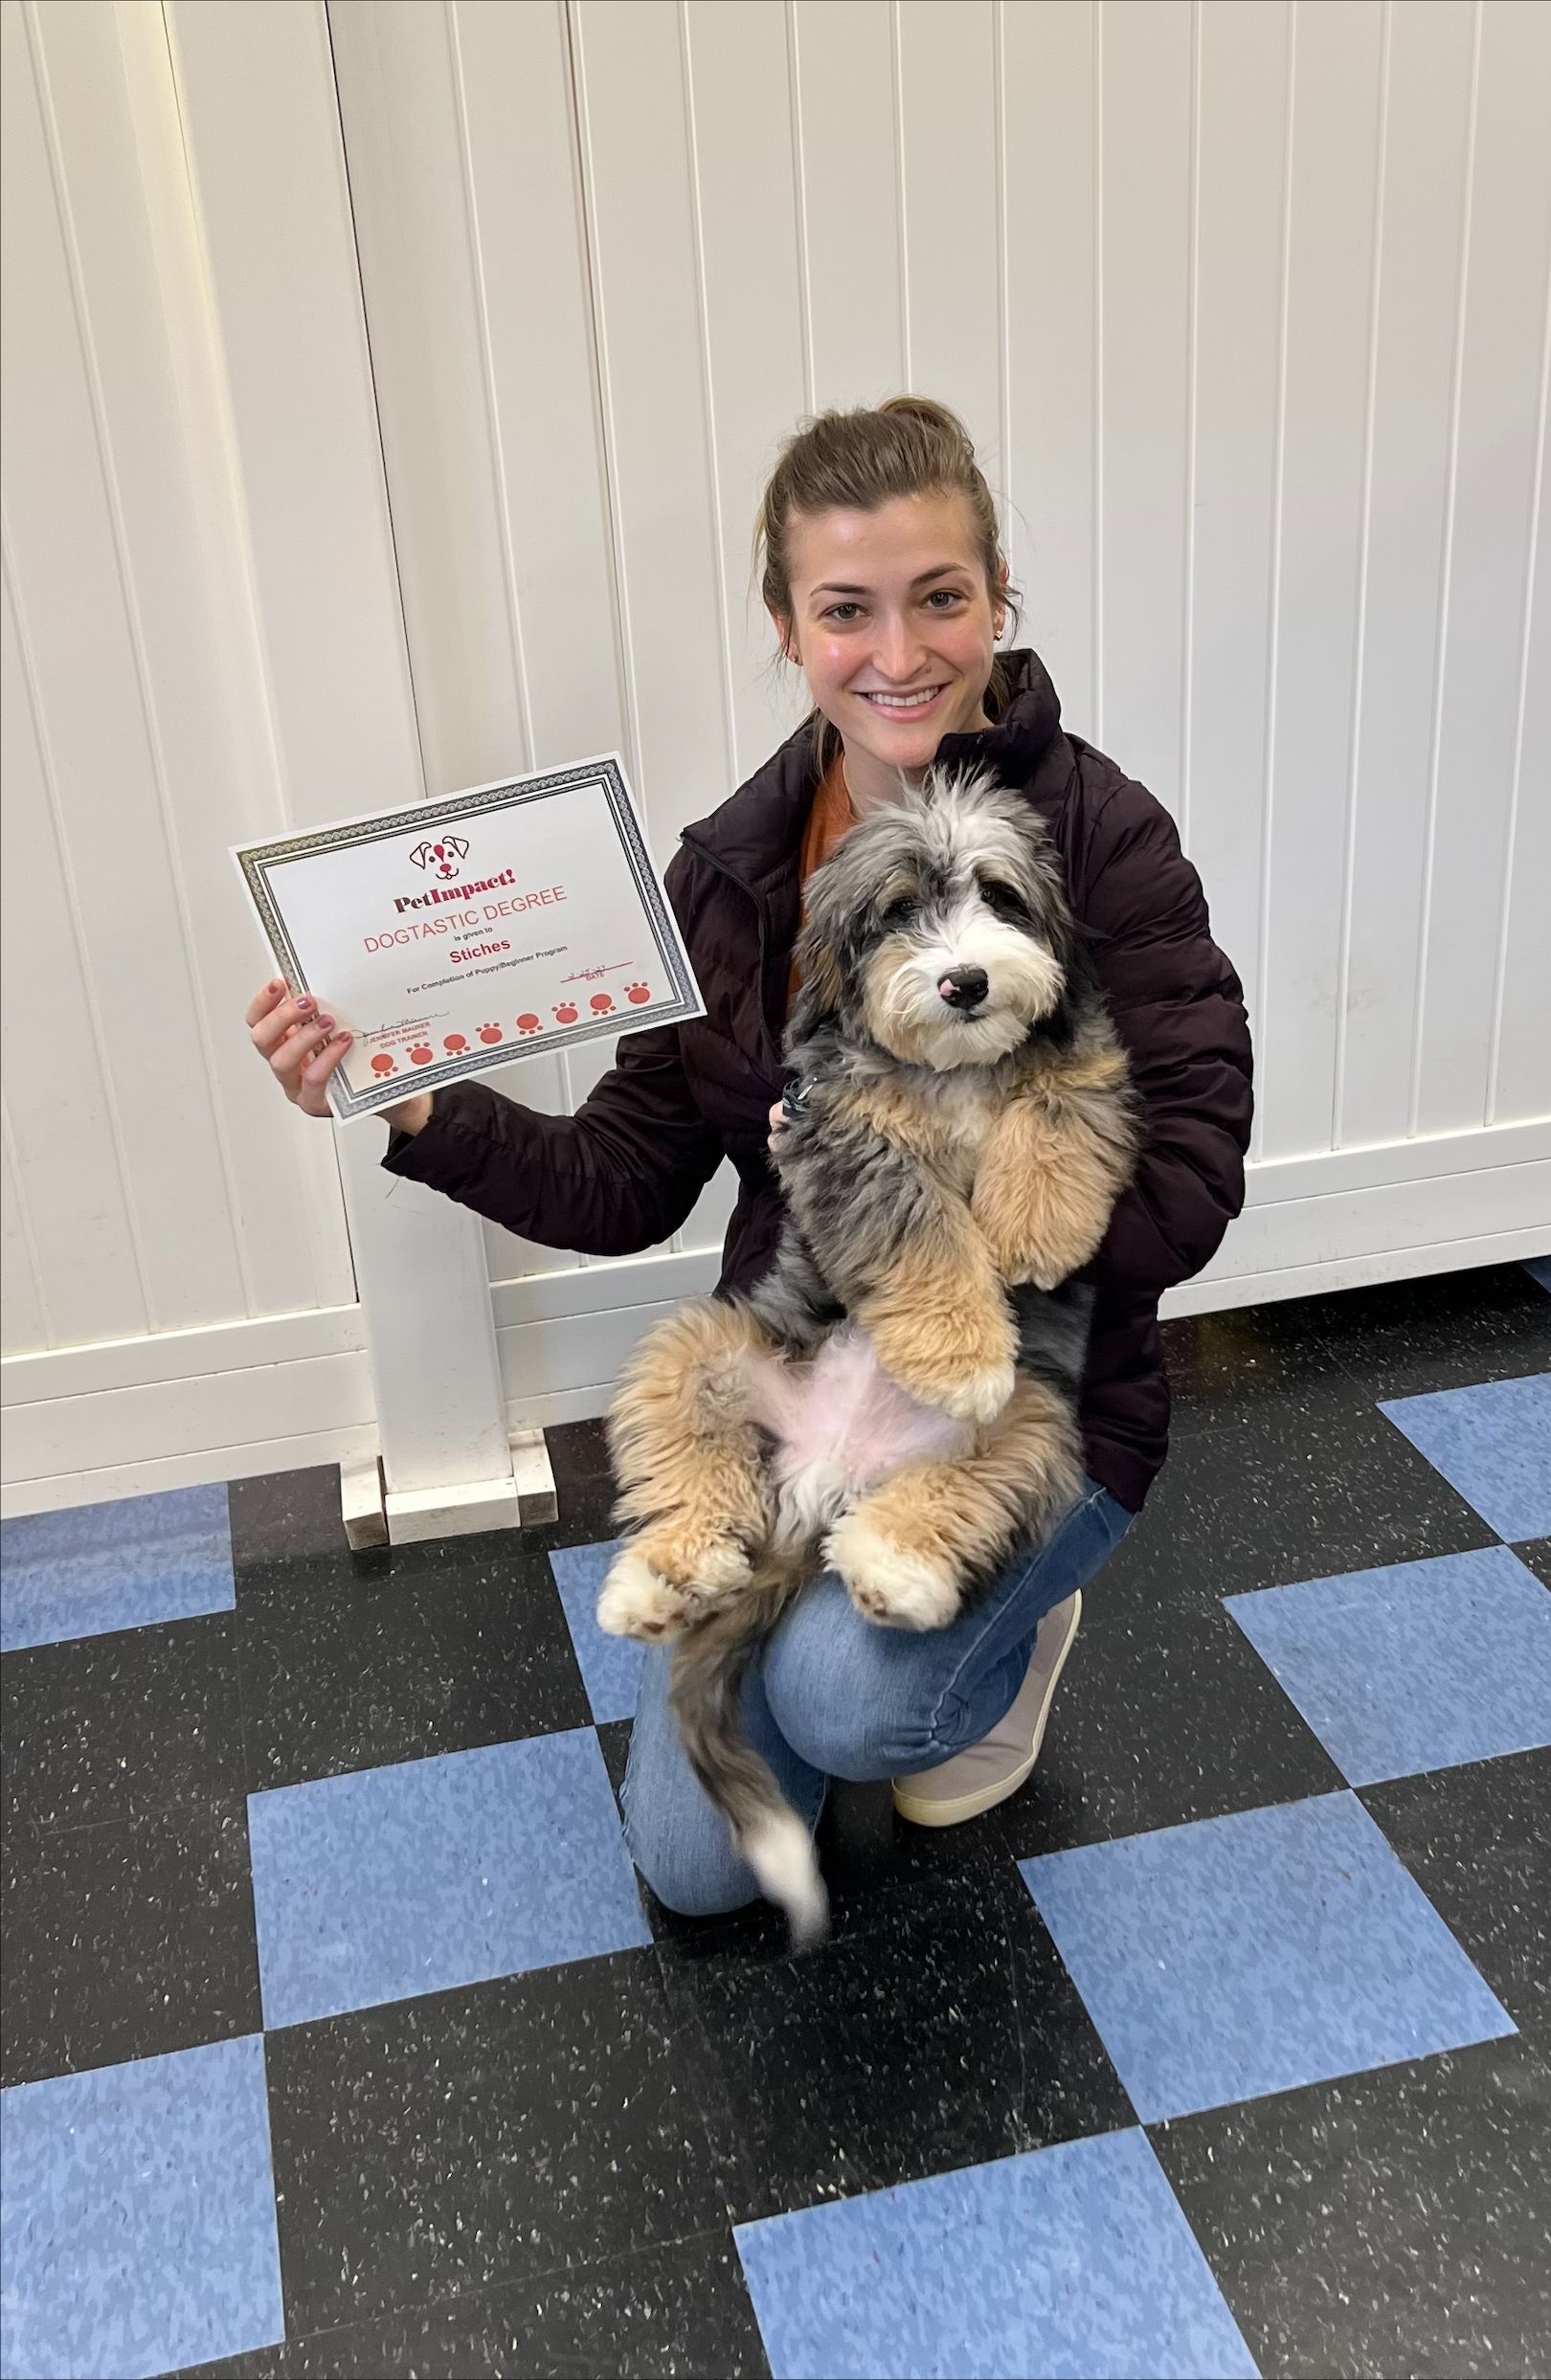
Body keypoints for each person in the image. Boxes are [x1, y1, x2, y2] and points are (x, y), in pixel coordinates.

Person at [245, 397, 1253, 1920]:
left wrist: (916, 1227)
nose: (898, 652)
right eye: (846, 609)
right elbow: (622, 1177)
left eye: (940, 597)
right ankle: (781, 1583)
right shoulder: (725, 877)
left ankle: (1005, 1632)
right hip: (801, 1381)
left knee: (856, 1707)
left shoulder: (1100, 837)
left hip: (1030, 1393)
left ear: (997, 598)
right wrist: (412, 1103)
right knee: (695, 1868)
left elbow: (1189, 1179)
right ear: (786, 625)